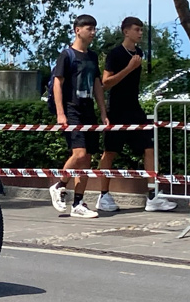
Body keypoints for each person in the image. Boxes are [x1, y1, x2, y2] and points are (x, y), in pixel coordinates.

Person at [96, 17, 177, 212]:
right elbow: (105, 83)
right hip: (117, 109)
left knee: (149, 147)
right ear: (126, 32)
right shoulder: (115, 55)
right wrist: (129, 68)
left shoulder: (139, 53)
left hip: (135, 108)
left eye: (141, 30)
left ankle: (152, 195)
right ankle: (103, 195)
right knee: (110, 152)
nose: (140, 33)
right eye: (137, 30)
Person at [49, 14, 109, 218]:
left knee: (87, 159)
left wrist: (103, 112)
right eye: (89, 28)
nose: (93, 32)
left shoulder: (92, 57)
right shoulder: (67, 55)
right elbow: (58, 82)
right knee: (79, 154)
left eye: (94, 29)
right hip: (72, 109)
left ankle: (78, 203)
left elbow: (97, 84)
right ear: (78, 30)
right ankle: (59, 185)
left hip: (88, 109)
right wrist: (60, 113)